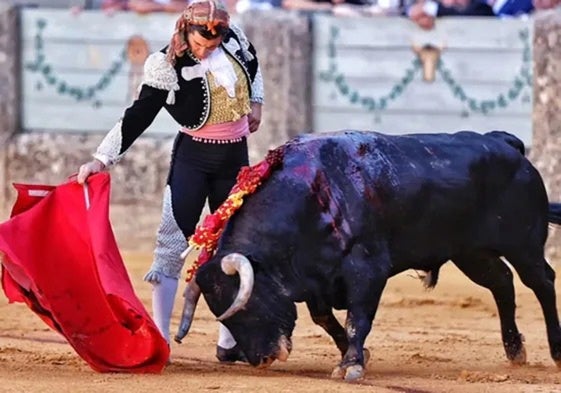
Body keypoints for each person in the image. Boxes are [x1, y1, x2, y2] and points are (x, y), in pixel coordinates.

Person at [76, 0, 264, 363]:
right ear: (185, 30)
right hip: (193, 160)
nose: (207, 48)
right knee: (171, 242)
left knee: (232, 247)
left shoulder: (234, 39)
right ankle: (159, 338)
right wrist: (102, 158)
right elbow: (140, 113)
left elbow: (254, 67)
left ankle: (229, 341)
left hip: (234, 161)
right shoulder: (165, 64)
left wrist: (256, 102)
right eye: (201, 42)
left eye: (214, 43)